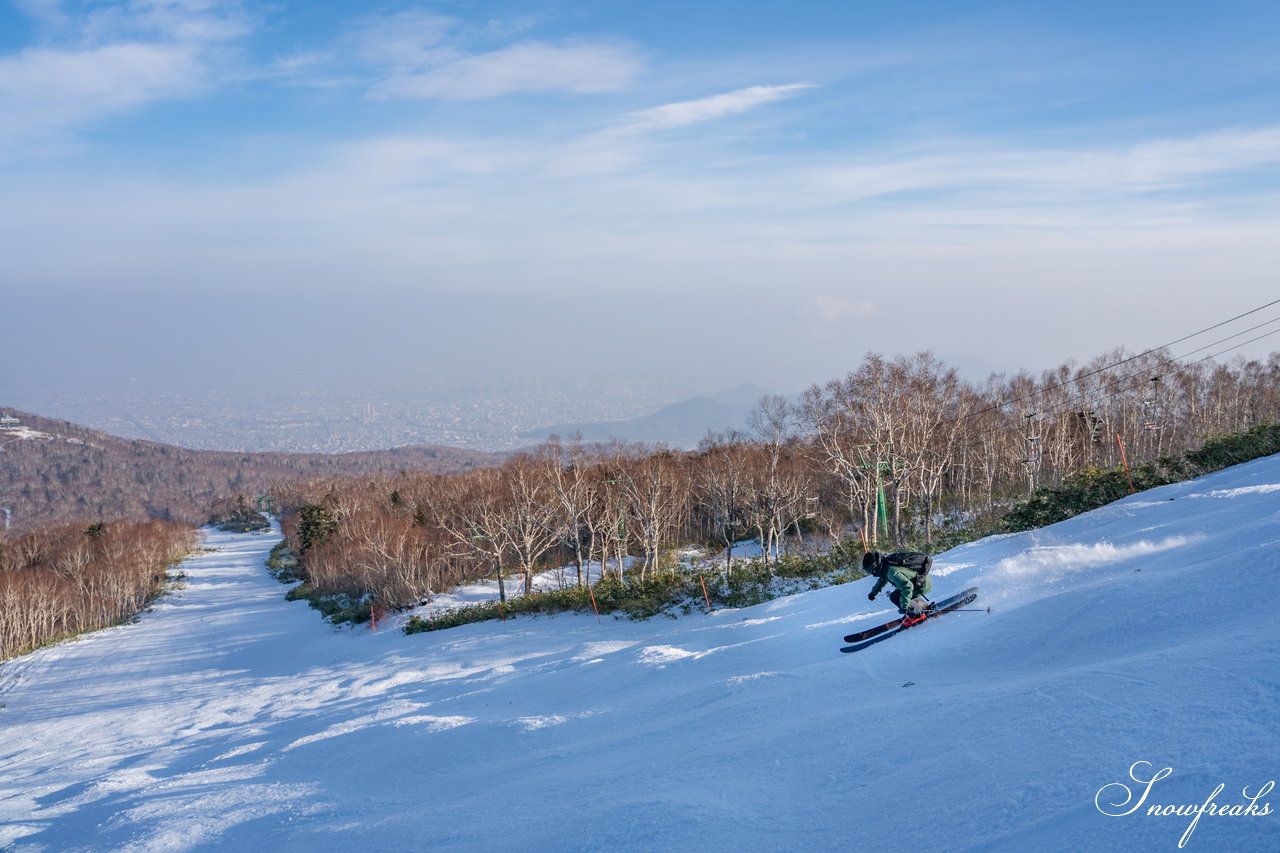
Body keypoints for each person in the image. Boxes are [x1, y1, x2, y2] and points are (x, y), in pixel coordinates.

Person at [863, 550, 933, 617]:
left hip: (921, 585)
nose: (870, 573)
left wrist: (904, 607)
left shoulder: (891, 572)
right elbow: (882, 580)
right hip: (921, 582)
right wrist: (873, 593)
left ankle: (917, 614)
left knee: (895, 597)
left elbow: (907, 586)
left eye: (869, 571)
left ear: (874, 568)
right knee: (900, 594)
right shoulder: (885, 566)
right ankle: (923, 606)